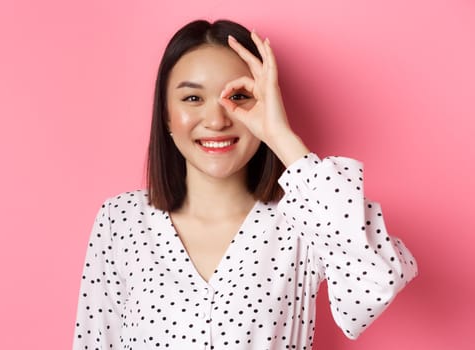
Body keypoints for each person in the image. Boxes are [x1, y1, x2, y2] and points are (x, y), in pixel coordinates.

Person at [72, 19, 417, 350]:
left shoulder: (303, 220)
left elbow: (376, 282)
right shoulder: (121, 221)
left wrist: (280, 136)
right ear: (165, 114)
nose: (217, 120)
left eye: (237, 96)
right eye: (192, 98)